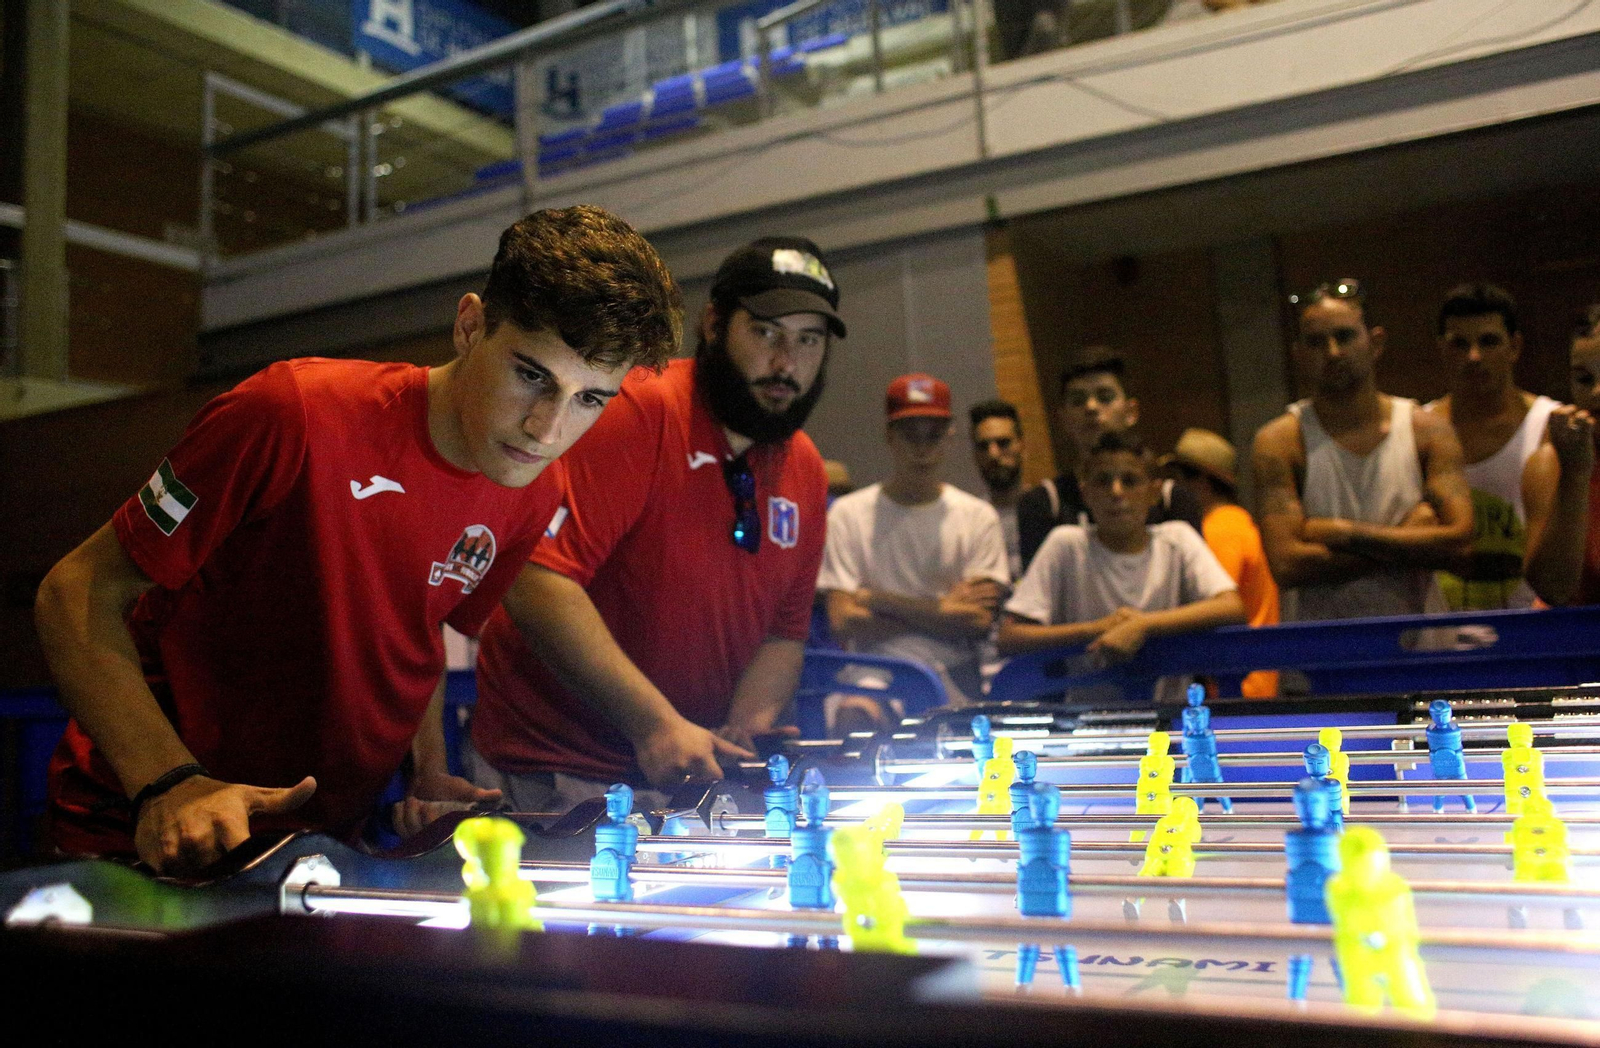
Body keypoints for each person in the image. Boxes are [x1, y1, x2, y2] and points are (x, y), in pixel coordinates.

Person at [35, 206, 681, 873]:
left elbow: (418, 626)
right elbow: (75, 590)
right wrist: (167, 783)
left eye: (590, 399)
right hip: (143, 828)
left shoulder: (531, 490)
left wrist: (430, 769)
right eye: (532, 375)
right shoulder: (291, 412)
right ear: (469, 326)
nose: (547, 429)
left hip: (322, 848)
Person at [466, 236, 841, 812]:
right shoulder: (641, 408)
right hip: (558, 769)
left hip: (688, 773)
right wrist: (656, 724)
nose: (787, 363)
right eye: (766, 332)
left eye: (808, 340)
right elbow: (535, 577)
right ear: (714, 324)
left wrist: (747, 725)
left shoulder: (806, 465)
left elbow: (784, 632)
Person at [1252, 279, 1473, 621]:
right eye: (1315, 341)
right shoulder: (1280, 442)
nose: (1333, 352)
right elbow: (1287, 564)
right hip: (1325, 662)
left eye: (1344, 336)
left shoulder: (1427, 431)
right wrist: (1412, 540)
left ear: (1376, 342)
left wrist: (1339, 533)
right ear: (1299, 355)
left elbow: (1460, 545)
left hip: (1423, 656)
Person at [999, 431, 1246, 704]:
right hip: (1088, 719)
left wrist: (1142, 626)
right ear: (1086, 493)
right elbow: (1010, 636)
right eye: (1103, 481)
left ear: (1154, 492)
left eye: (1130, 481)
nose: (1116, 492)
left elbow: (1231, 606)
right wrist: (1097, 629)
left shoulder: (1177, 538)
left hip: (1172, 716)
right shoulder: (1066, 544)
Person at [819, 374, 1011, 706]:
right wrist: (943, 612)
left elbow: (977, 622)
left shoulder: (978, 517)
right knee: (857, 714)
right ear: (889, 435)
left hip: (956, 674)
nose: (922, 448)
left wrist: (877, 599)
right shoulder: (848, 515)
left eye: (933, 435)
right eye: (911, 435)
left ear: (949, 435)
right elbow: (843, 621)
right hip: (874, 671)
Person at [1424, 284, 1561, 610]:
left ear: (1514, 347)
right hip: (1441, 634)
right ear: (1443, 350)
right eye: (1460, 343)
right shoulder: (1419, 429)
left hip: (1532, 630)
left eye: (1488, 341)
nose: (1473, 356)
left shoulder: (1551, 426)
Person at [1016, 350, 1204, 572]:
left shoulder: (1172, 501)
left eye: (1105, 397)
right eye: (1078, 400)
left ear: (1131, 412)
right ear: (1063, 419)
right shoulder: (1044, 504)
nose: (1091, 407)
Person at [1162, 427, 1279, 697]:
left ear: (1201, 480)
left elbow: (1213, 608)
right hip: (1246, 677)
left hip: (1236, 684)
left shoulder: (1220, 530)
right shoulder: (1237, 520)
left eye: (1177, 478)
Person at [1526, 303, 1599, 605]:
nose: (1597, 392)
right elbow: (1554, 589)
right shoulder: (1552, 463)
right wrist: (1576, 474)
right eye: (1584, 379)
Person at [970, 399, 1026, 579]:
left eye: (1003, 443)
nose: (993, 454)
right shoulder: (970, 522)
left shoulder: (1050, 510)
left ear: (1022, 446)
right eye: (983, 446)